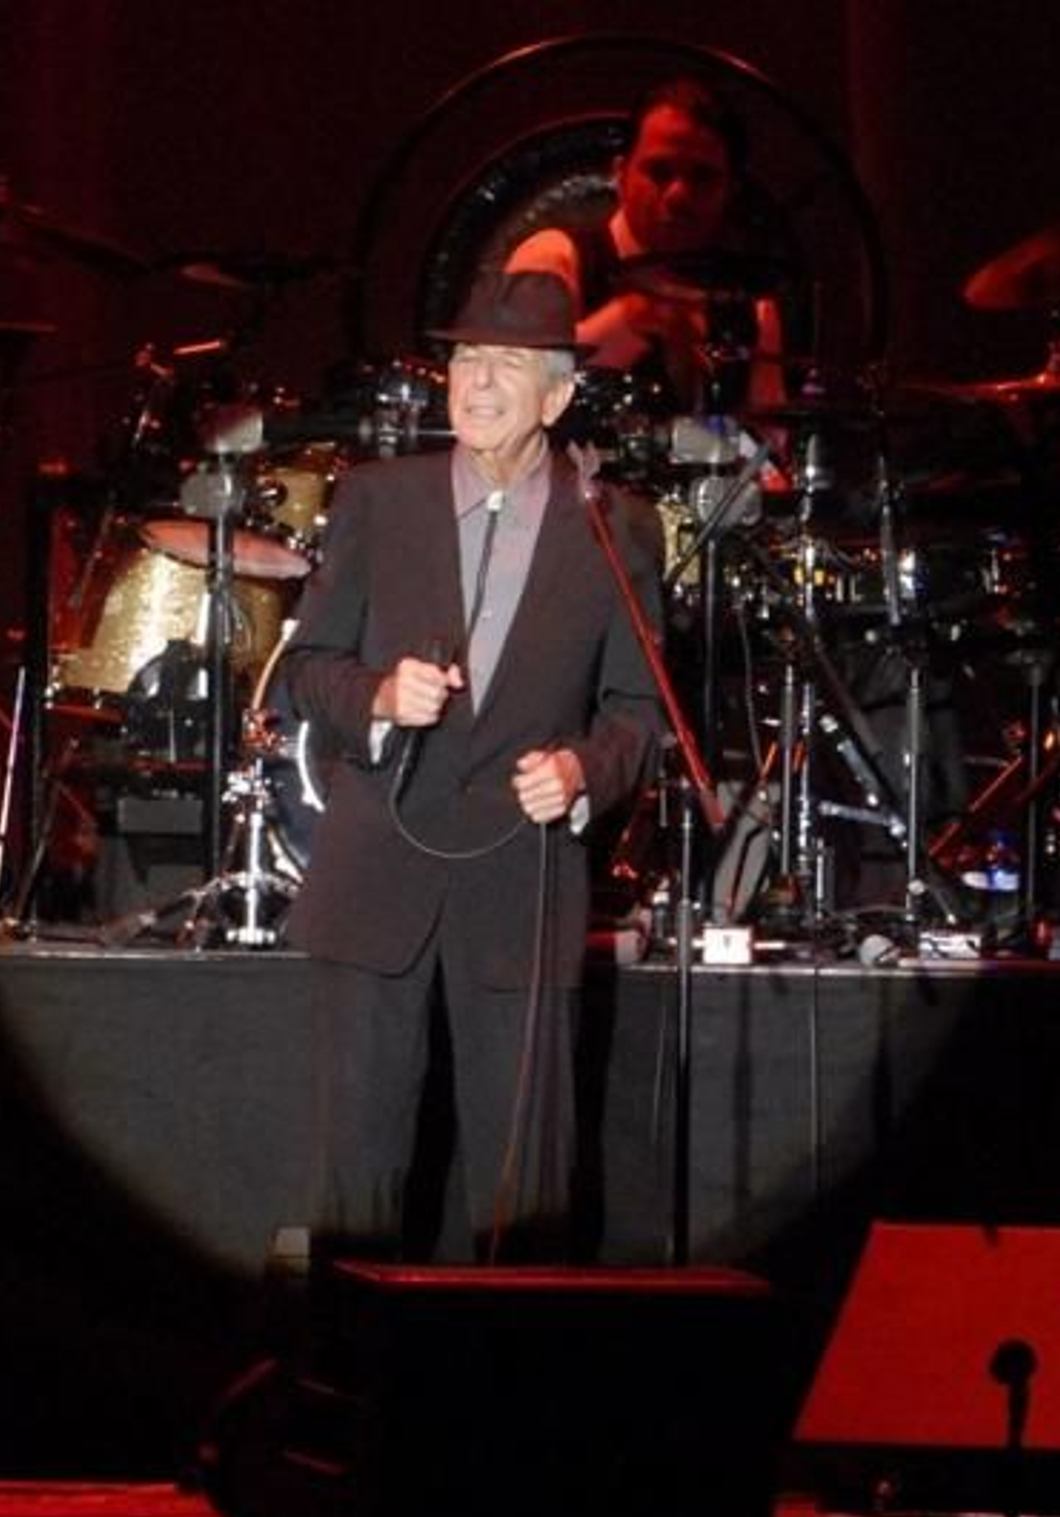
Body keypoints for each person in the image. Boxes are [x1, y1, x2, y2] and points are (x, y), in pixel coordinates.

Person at [279, 270, 667, 1265]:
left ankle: (505, 1401)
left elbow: (639, 706)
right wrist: (376, 696)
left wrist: (583, 770)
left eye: (506, 364)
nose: (478, 382)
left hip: (519, 874)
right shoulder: (378, 498)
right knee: (354, 1178)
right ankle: (336, 1392)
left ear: (556, 394)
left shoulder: (613, 524)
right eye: (463, 360)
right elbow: (307, 670)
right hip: (378, 873)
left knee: (523, 1188)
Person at [504, 76, 787, 418]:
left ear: (731, 189)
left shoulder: (752, 307)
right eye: (659, 171)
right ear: (621, 174)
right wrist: (617, 327)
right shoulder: (555, 257)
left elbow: (770, 441)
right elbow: (507, 403)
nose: (678, 195)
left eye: (702, 177)